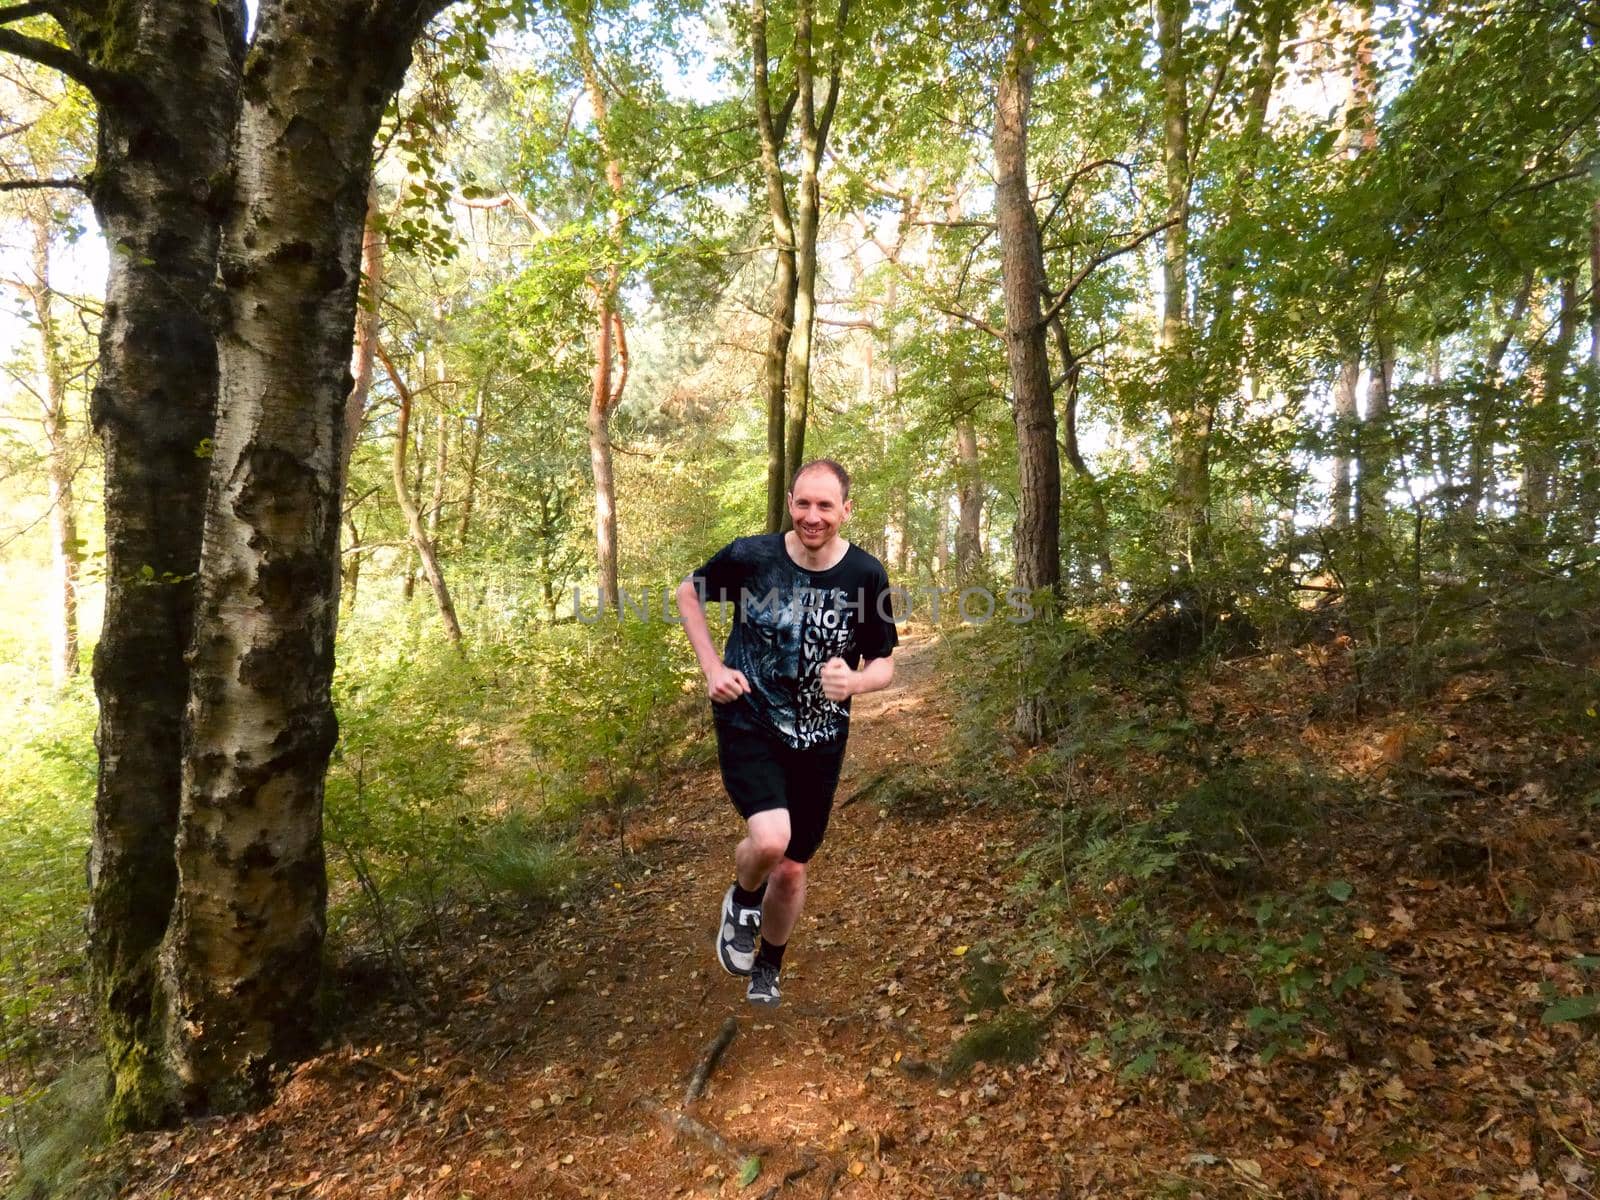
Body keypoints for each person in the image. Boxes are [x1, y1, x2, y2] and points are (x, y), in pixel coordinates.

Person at [674, 459, 899, 1006]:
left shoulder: (865, 576)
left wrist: (856, 682)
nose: (813, 516)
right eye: (803, 504)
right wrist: (712, 669)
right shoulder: (753, 557)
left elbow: (885, 665)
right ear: (790, 503)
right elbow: (687, 593)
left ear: (847, 510)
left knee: (794, 869)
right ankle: (743, 898)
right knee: (771, 839)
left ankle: (768, 965)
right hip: (749, 716)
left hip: (820, 737)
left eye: (826, 506)